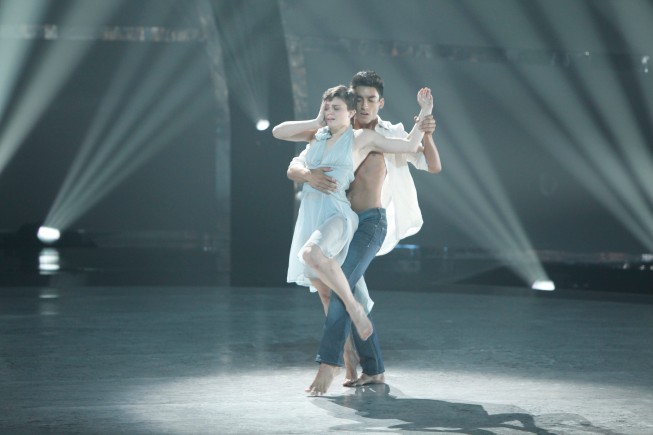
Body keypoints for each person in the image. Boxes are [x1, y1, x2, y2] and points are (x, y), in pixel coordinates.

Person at [287, 71, 441, 395]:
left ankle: (329, 363)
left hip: (369, 222)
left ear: (380, 102)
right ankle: (373, 370)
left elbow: (429, 162)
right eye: (359, 99)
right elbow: (298, 159)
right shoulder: (340, 132)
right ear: (351, 104)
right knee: (347, 292)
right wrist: (307, 174)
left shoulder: (387, 133)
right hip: (340, 224)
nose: (366, 105)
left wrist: (425, 126)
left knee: (344, 286)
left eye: (372, 99)